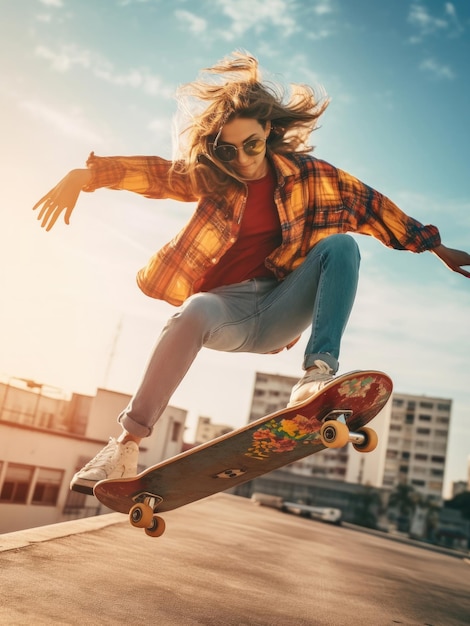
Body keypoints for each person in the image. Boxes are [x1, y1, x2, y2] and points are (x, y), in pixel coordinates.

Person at [33, 52, 470, 495]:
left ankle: (316, 374)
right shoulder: (213, 176)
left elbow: (372, 206)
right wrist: (86, 175)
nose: (240, 158)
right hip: (227, 311)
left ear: (270, 134)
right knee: (196, 309)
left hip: (282, 306)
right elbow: (160, 175)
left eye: (252, 145)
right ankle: (125, 447)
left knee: (342, 245)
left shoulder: (311, 177)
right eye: (228, 149)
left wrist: (434, 246)